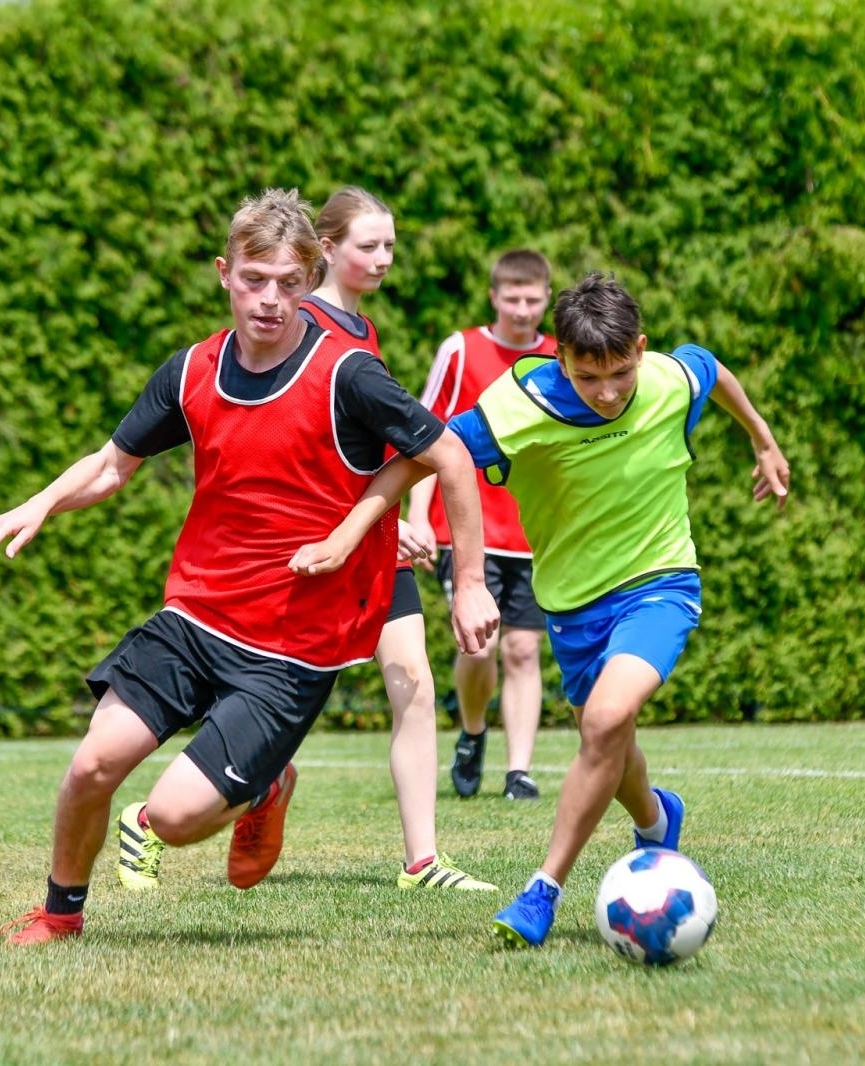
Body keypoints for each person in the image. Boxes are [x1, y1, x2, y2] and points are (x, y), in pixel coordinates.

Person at [0, 189, 500, 946]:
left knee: (178, 821)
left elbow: (446, 453)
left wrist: (469, 581)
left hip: (290, 647)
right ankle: (60, 915)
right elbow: (112, 466)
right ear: (225, 274)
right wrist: (38, 504)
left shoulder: (348, 373)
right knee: (94, 765)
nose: (271, 300)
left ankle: (265, 785)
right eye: (255, 279)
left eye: (289, 282)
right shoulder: (191, 370)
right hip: (195, 615)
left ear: (308, 278)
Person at [297, 271, 790, 949]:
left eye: (623, 371)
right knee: (605, 733)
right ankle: (656, 820)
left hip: (661, 583)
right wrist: (353, 530)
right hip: (573, 605)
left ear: (641, 348)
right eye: (591, 377)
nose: (611, 391)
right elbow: (427, 456)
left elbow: (712, 368)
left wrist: (764, 441)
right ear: (563, 360)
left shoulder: (669, 381)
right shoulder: (518, 403)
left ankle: (543, 891)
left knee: (608, 720)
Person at [299, 186, 497, 891]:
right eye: (367, 245)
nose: (383, 258)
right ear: (326, 248)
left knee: (412, 682)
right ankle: (153, 819)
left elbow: (377, 447)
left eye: (389, 245)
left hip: (371, 538)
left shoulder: (362, 329)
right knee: (260, 700)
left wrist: (395, 522)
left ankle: (423, 862)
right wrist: (355, 526)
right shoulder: (296, 325)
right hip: (307, 544)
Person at [406, 249, 557, 802]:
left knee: (523, 650)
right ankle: (472, 734)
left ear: (546, 298)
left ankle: (519, 771)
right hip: (467, 530)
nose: (522, 309)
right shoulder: (461, 349)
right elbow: (427, 436)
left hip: (536, 533)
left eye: (532, 299)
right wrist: (416, 515)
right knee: (478, 648)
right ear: (494, 297)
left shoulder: (563, 357)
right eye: (511, 298)